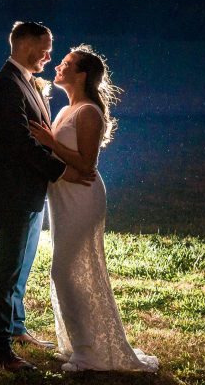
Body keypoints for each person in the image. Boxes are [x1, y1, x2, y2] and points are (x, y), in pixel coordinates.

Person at [29, 45, 159, 373]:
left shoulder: (88, 112)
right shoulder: (66, 110)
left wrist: (51, 143)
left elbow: (87, 164)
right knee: (67, 272)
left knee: (65, 271)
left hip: (82, 197)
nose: (58, 66)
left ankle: (88, 353)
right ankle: (77, 344)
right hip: (63, 197)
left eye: (67, 64)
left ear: (82, 75)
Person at [0, 21, 92, 372]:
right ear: (25, 44)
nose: (49, 55)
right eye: (44, 48)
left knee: (22, 265)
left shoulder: (26, 82)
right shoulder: (5, 86)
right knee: (7, 265)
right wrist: (63, 172)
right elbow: (20, 143)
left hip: (30, 192)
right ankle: (0, 347)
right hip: (12, 192)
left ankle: (16, 328)